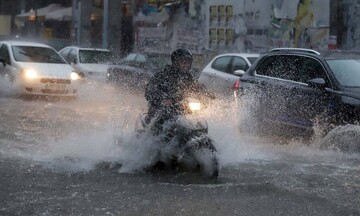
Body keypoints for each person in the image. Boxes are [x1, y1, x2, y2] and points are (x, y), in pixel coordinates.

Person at [144, 48, 212, 132]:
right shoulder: (163, 74)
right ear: (175, 62)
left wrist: (208, 95)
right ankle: (152, 138)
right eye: (183, 62)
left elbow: (197, 87)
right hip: (163, 108)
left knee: (197, 119)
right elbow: (150, 89)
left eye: (188, 62)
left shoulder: (188, 77)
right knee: (159, 120)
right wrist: (162, 99)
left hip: (180, 107)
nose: (186, 64)